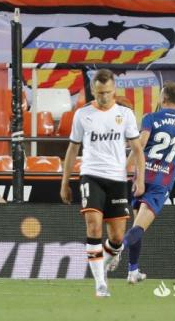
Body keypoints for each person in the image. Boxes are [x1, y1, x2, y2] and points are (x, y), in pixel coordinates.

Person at [59, 69, 146, 297]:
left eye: (107, 92)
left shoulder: (125, 114)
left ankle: (111, 255)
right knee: (93, 226)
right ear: (93, 90)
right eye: (99, 93)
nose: (104, 97)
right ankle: (100, 284)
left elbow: (137, 149)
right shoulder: (82, 114)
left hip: (117, 178)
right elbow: (73, 148)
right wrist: (64, 181)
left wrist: (140, 178)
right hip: (91, 175)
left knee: (117, 237)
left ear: (114, 89)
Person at [111, 81, 175, 284]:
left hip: (141, 177)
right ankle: (115, 249)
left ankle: (133, 271)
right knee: (139, 228)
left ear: (163, 98)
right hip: (162, 182)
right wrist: (173, 156)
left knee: (136, 226)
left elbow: (140, 144)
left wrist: (124, 167)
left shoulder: (151, 118)